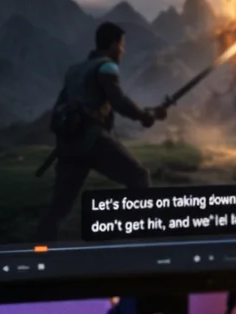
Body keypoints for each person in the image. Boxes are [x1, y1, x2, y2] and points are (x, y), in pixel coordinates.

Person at [33, 22, 166, 242]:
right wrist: (144, 117)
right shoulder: (107, 67)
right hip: (93, 141)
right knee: (139, 177)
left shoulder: (75, 70)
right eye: (122, 45)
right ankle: (144, 240)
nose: (123, 50)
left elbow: (61, 107)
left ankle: (39, 255)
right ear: (114, 44)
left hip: (69, 146)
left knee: (58, 209)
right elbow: (119, 101)